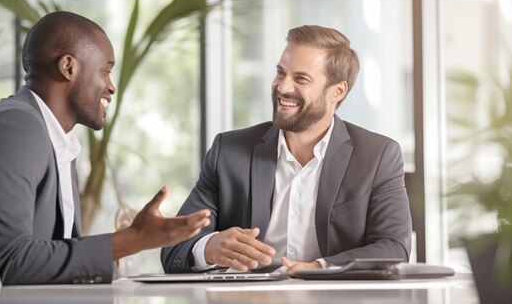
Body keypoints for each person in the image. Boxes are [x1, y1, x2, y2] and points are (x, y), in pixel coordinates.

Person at [0, 11, 210, 285]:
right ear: (68, 67)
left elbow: (48, 257)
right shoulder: (13, 127)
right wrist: (131, 239)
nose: (111, 87)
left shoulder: (54, 139)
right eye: (106, 70)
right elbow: (5, 262)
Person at [161, 25, 412, 274]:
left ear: (337, 91)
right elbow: (173, 249)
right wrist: (208, 248)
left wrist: (318, 268)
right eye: (281, 73)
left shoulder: (377, 156)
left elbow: (393, 247)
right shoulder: (228, 152)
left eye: (300, 78)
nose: (282, 87)